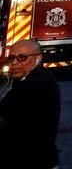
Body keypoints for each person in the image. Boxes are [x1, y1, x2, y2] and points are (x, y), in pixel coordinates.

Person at [0, 40, 61, 169]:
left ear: (38, 59)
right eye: (12, 58)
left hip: (32, 159)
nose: (14, 63)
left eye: (22, 58)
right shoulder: (35, 76)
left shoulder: (32, 84)